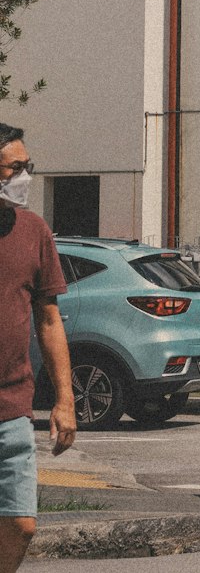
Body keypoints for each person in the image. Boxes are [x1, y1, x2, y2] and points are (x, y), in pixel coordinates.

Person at [0, 122, 76, 573]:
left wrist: (65, 399)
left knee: (22, 525)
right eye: (16, 167)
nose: (25, 176)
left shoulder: (33, 230)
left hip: (13, 407)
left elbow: (49, 320)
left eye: (29, 166)